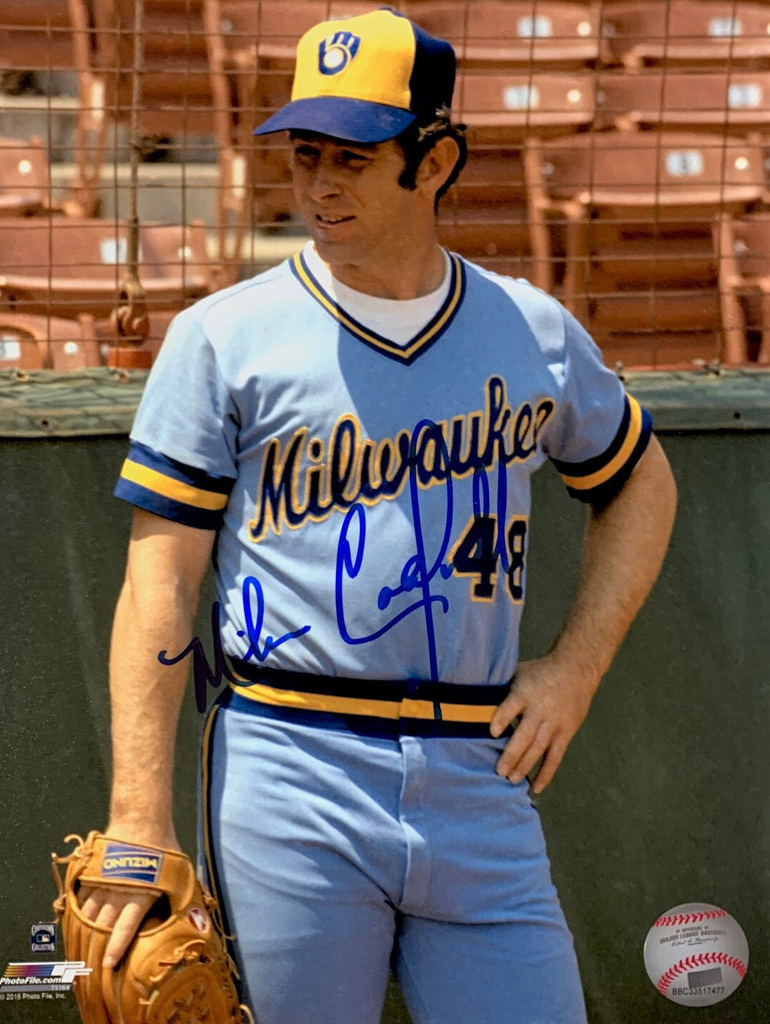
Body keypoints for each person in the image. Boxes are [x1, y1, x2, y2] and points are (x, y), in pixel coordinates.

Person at [84, 8, 677, 1023]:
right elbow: (159, 584)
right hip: (290, 767)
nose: (320, 182)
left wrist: (576, 668)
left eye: (353, 157)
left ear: (434, 161)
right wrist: (139, 820)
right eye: (305, 154)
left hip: (480, 775)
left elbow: (640, 483)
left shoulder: (530, 329)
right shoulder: (223, 338)